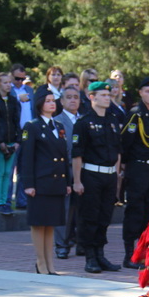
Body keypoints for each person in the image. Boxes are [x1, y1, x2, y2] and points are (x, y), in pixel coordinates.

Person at [72, 81, 122, 273]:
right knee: (89, 217)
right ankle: (90, 256)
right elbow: (77, 155)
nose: (106, 98)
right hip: (91, 175)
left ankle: (100, 254)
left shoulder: (112, 120)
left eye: (108, 95)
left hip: (109, 176)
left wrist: (116, 178)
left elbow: (118, 151)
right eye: (102, 95)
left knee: (104, 217)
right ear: (91, 97)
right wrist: (77, 181)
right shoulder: (83, 123)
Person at [20, 87, 71, 275]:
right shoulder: (32, 126)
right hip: (40, 182)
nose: (52, 103)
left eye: (53, 100)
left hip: (56, 182)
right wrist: (28, 184)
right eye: (48, 100)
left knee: (50, 224)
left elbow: (64, 156)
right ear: (40, 103)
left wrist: (67, 182)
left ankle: (50, 264)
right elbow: (27, 157)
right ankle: (40, 263)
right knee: (38, 223)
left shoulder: (59, 127)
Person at [121, 77, 149, 268]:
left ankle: (145, 252)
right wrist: (124, 166)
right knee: (135, 210)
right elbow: (124, 143)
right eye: (148, 91)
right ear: (140, 93)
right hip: (137, 166)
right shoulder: (135, 115)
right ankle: (129, 254)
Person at [0, 72, 21, 215]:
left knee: (8, 173)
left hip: (12, 140)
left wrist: (17, 140)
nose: (8, 85)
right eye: (5, 82)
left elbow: (16, 121)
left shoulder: (13, 101)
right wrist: (0, 141)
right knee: (0, 171)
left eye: (9, 82)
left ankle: (6, 201)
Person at [53, 86, 82, 259]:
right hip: (65, 168)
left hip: (83, 169)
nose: (73, 100)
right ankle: (61, 245)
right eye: (69, 97)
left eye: (76, 97)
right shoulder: (57, 121)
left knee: (81, 209)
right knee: (64, 208)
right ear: (62, 101)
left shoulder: (84, 120)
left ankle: (80, 242)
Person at [9, 63, 34, 211]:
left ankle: (22, 201)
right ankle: (5, 201)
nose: (19, 82)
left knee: (24, 169)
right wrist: (18, 97)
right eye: (17, 78)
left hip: (28, 132)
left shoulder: (29, 90)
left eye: (22, 79)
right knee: (10, 169)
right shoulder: (8, 89)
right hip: (13, 133)